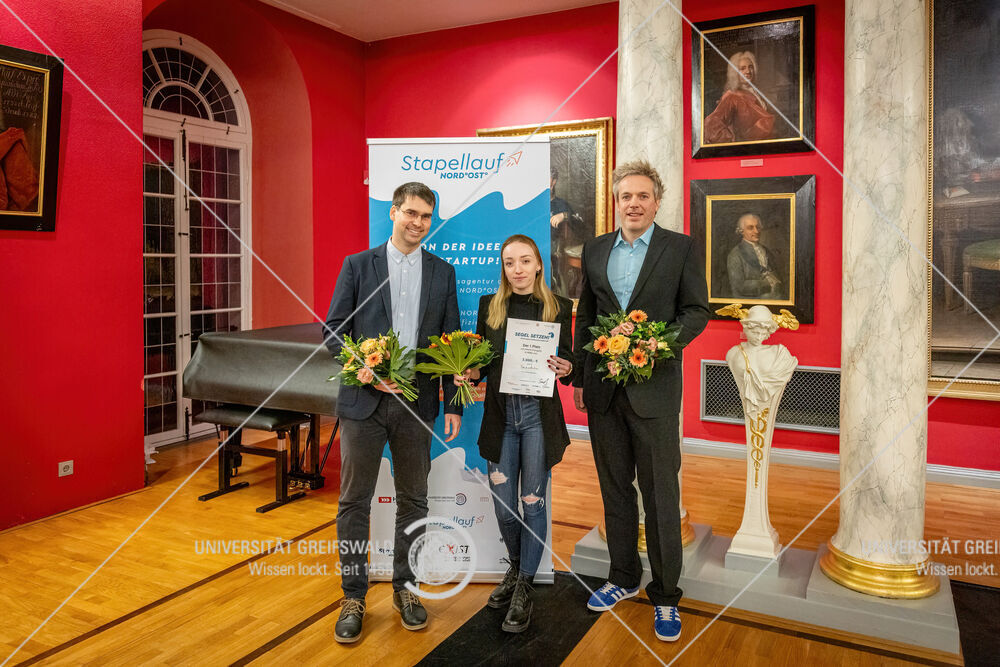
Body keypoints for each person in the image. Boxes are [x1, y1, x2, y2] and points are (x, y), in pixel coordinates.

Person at [573, 160, 709, 642]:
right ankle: (623, 578)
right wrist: (580, 379)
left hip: (655, 392)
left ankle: (667, 595)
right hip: (605, 393)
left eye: (642, 196)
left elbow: (697, 310)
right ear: (616, 202)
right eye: (625, 196)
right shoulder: (594, 250)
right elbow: (585, 316)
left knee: (660, 495)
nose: (633, 203)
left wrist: (661, 343)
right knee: (614, 489)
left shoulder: (681, 248)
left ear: (657, 201)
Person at [324, 181, 463, 644]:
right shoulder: (358, 266)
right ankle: (353, 596)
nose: (418, 223)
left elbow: (453, 345)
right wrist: (363, 366)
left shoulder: (443, 273)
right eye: (410, 213)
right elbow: (332, 333)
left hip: (418, 405)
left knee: (414, 501)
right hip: (364, 404)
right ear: (393, 212)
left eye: (426, 216)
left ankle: (405, 589)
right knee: (353, 502)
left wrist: (455, 401)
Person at [454, 234, 574, 633]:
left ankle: (523, 584)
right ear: (503, 267)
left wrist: (566, 367)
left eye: (525, 261)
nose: (518, 269)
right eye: (509, 262)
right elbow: (480, 366)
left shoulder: (558, 307)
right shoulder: (490, 307)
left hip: (539, 418)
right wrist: (467, 372)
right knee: (504, 506)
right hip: (501, 417)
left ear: (539, 264)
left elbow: (569, 361)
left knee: (533, 504)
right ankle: (517, 570)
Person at [703, 51, 775, 144]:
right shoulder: (732, 96)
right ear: (735, 72)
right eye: (742, 68)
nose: (748, 71)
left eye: (750, 67)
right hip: (749, 149)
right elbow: (710, 124)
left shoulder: (757, 92)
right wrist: (734, 142)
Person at [549, 167, 591, 298]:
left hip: (556, 252)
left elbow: (581, 225)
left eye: (547, 179)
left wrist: (565, 215)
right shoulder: (531, 203)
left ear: (554, 181)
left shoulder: (561, 204)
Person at [726, 213, 783, 300]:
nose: (756, 231)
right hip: (750, 301)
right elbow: (739, 286)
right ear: (741, 231)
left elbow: (777, 275)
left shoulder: (766, 250)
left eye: (758, 227)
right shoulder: (735, 254)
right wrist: (767, 283)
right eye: (750, 228)